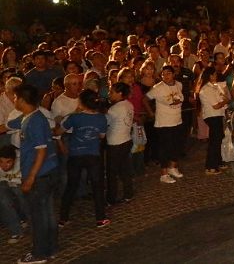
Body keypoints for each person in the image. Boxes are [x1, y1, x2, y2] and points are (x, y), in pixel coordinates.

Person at [1, 84, 59, 263]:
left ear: (23, 100)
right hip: (47, 172)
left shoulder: (34, 121)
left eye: (16, 98)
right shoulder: (31, 116)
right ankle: (50, 248)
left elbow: (40, 151)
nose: (14, 100)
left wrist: (31, 177)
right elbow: (10, 124)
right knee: (47, 212)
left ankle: (39, 253)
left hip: (40, 175)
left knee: (38, 215)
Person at [55, 90, 109, 228]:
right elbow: (102, 136)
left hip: (75, 155)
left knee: (71, 186)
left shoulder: (75, 117)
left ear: (82, 102)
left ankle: (63, 218)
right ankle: (100, 218)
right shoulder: (102, 118)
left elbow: (59, 131)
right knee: (97, 186)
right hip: (93, 155)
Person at [144, 66, 185, 184]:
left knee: (176, 145)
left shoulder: (179, 85)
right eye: (163, 74)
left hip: (177, 120)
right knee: (164, 148)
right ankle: (164, 173)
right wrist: (150, 112)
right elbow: (145, 99)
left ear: (173, 74)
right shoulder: (158, 88)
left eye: (168, 73)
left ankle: (173, 167)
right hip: (164, 122)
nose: (166, 76)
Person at [196, 67, 230, 175]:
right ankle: (210, 166)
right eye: (215, 74)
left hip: (218, 115)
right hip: (212, 115)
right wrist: (225, 101)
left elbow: (221, 98)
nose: (216, 76)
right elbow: (216, 105)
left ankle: (218, 161)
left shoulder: (214, 87)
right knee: (214, 140)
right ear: (210, 76)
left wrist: (224, 100)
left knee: (218, 138)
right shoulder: (206, 89)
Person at [105, 82, 135, 204]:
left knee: (112, 173)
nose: (109, 94)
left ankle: (111, 198)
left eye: (112, 92)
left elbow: (105, 123)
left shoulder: (114, 109)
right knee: (125, 169)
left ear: (120, 93)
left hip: (115, 143)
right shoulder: (129, 105)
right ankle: (128, 193)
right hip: (126, 139)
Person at [0, 145, 28, 244]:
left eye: (8, 162)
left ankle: (24, 218)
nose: (4, 166)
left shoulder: (22, 160)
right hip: (3, 182)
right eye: (1, 162)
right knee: (3, 201)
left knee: (20, 195)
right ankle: (16, 231)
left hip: (20, 182)